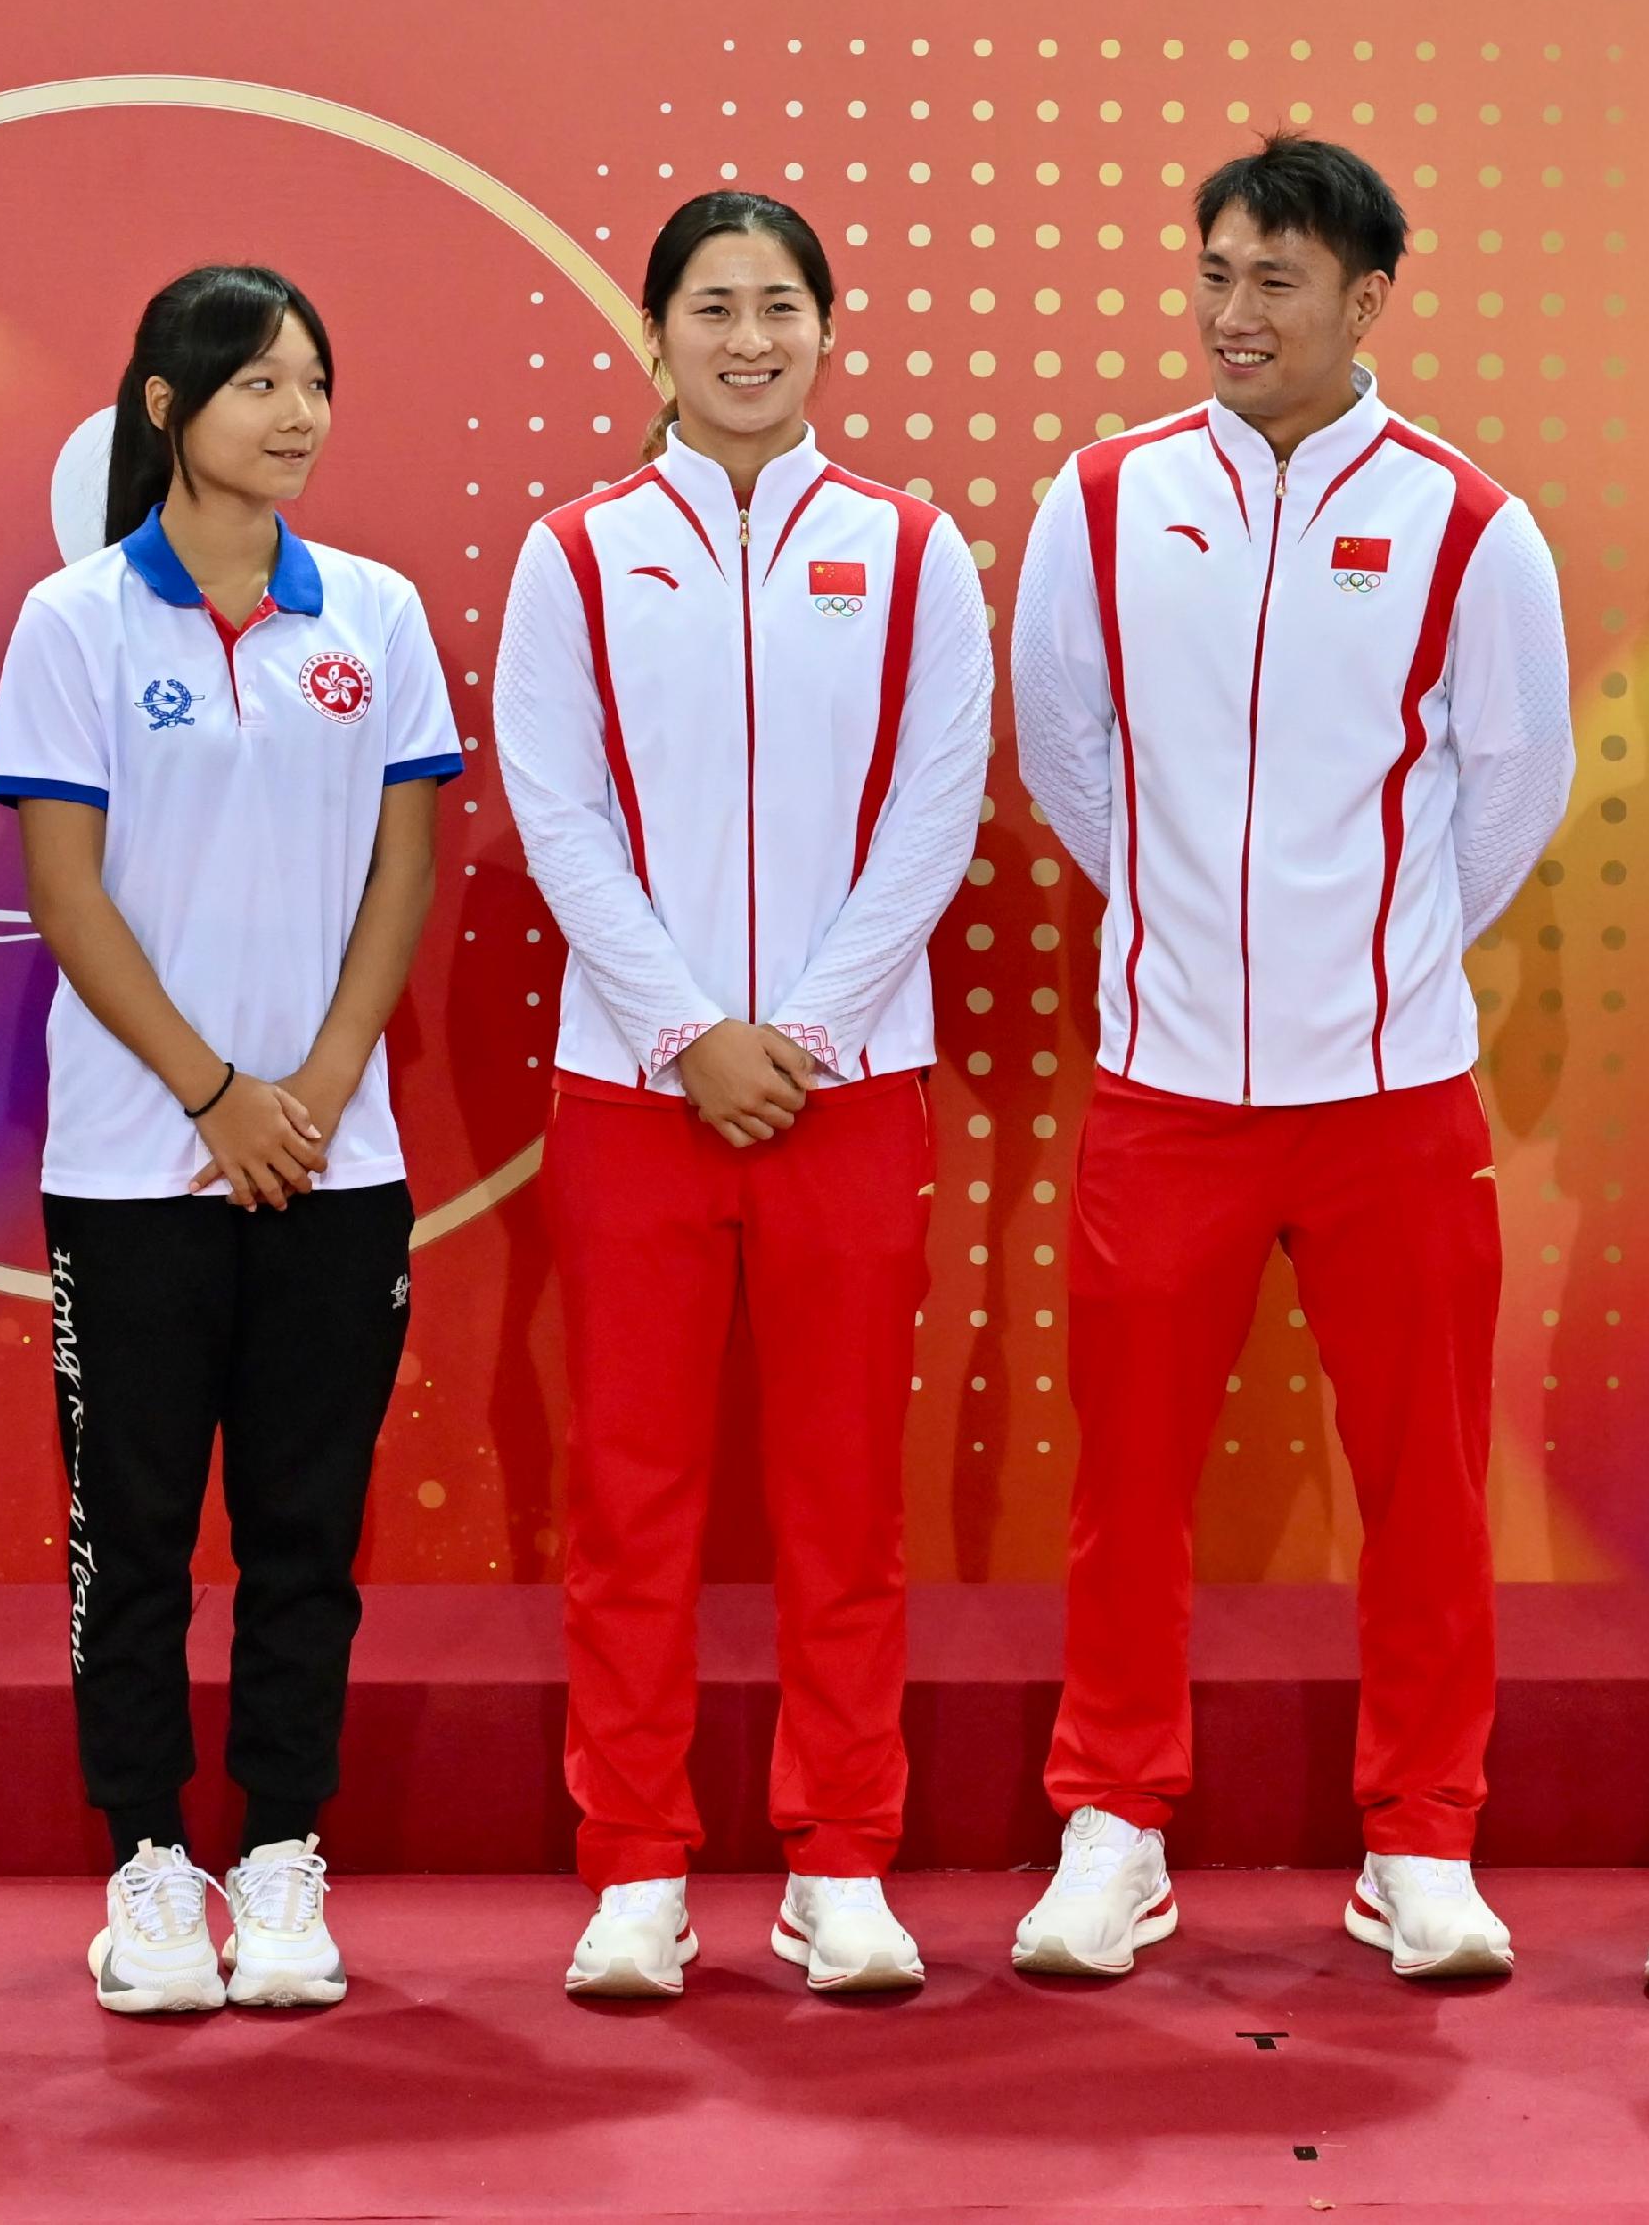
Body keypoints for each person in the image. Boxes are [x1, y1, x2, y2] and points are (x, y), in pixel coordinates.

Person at [1007, 133, 1573, 1981]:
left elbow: (1511, 792)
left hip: (1393, 1092)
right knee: (1130, 1481)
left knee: (1423, 1482)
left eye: (1277, 282)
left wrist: (1372, 954)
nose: (1234, 312)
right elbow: (1073, 760)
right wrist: (1197, 929)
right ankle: (1114, 1820)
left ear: (1366, 302)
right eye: (1216, 273)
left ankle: (1422, 1835)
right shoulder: (1101, 502)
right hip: (1168, 1085)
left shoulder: (1470, 525)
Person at [498, 193, 993, 1998]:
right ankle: (634, 1863)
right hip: (637, 1092)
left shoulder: (913, 546)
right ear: (657, 335)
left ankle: (839, 1855)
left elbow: (936, 806)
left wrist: (809, 1025)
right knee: (630, 1492)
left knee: (842, 1495)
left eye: (781, 307)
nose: (748, 339)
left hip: (849, 1093)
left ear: (827, 331)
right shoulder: (577, 551)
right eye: (712, 308)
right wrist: (688, 1025)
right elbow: (557, 809)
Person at [0, 265, 456, 2019]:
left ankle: (278, 1851)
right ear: (167, 406)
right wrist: (213, 1092)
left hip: (336, 1161)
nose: (299, 413)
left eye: (317, 381)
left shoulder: (380, 617)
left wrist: (319, 1085)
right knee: (132, 1528)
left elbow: (402, 863)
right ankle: (145, 1862)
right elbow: (63, 885)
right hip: (140, 1167)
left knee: (303, 1532)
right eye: (260, 381)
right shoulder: (79, 621)